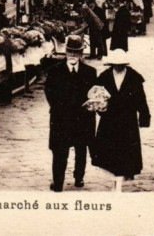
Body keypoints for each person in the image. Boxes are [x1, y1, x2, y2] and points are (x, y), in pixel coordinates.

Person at [91, 49, 151, 192]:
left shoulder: (134, 77)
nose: (118, 67)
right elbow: (97, 98)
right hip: (109, 120)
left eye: (121, 64)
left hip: (127, 120)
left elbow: (141, 98)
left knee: (125, 152)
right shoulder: (104, 77)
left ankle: (120, 180)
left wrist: (144, 116)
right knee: (109, 151)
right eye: (115, 64)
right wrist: (99, 109)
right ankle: (114, 179)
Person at [43, 35, 96, 192]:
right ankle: (58, 182)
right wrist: (59, 108)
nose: (73, 55)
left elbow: (94, 93)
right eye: (70, 52)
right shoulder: (54, 71)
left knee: (81, 149)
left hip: (83, 118)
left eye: (76, 52)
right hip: (61, 118)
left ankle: (79, 177)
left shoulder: (90, 72)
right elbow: (49, 92)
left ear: (81, 54)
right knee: (60, 151)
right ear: (65, 52)